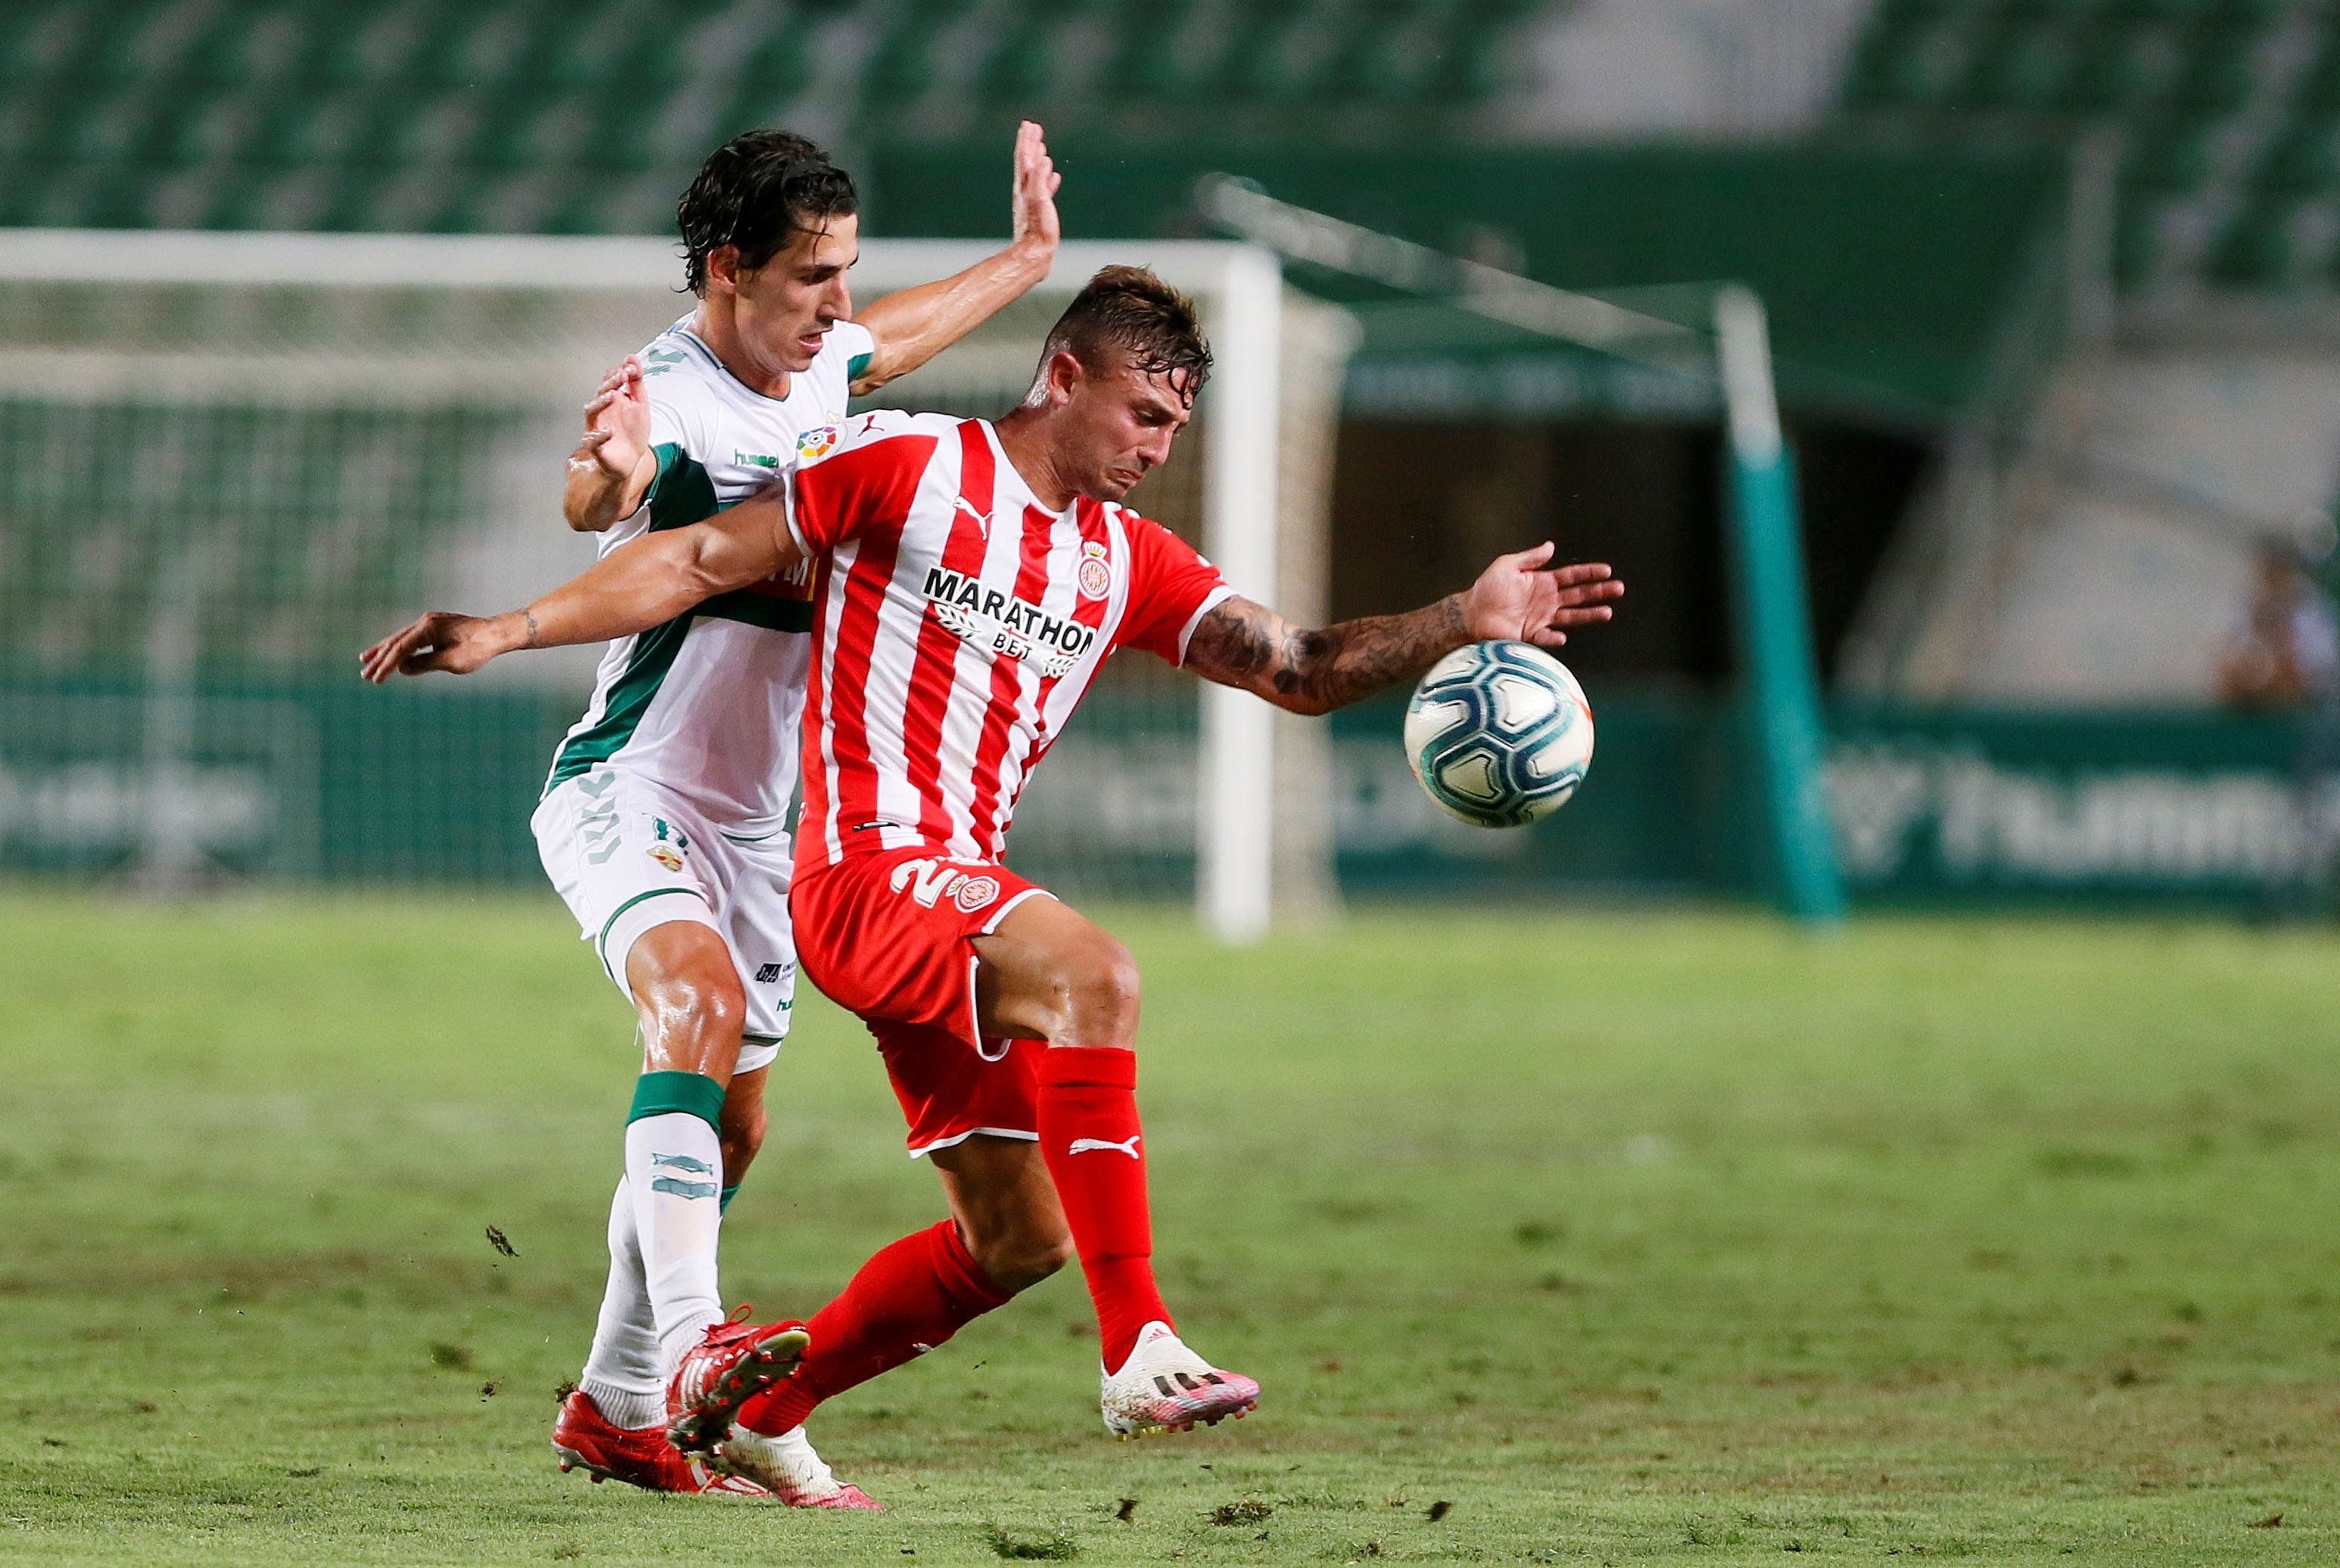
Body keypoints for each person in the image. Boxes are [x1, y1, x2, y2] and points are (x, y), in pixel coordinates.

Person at [361, 266, 1622, 1493]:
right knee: (1096, 972)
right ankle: (1138, 1346)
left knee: (1018, 1238)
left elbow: (1294, 663)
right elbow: (696, 560)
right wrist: (509, 628)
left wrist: (1464, 612)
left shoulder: (1128, 556)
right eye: (1141, 412)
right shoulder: (910, 467)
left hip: (949, 898)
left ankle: (762, 1412)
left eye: (1174, 426)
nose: (1155, 446)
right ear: (1063, 373)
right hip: (861, 871)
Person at [456, 123, 1059, 1505]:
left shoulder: (822, 362)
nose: (838, 303)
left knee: (730, 1127)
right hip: (634, 782)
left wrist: (1029, 257)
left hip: (764, 827)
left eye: (844, 272)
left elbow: (895, 334)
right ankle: (690, 1356)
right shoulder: (669, 392)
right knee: (694, 1001)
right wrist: (600, 473)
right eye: (811, 277)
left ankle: (613, 1409)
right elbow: (594, 490)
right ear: (728, 271)